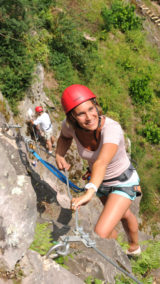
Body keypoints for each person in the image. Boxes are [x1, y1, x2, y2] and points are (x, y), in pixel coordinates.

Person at [55, 84, 142, 256]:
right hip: (101, 182)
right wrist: (59, 154)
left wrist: (89, 192)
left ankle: (133, 248)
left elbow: (101, 162)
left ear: (96, 105)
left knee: (100, 232)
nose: (89, 117)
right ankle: (120, 252)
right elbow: (64, 137)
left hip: (123, 181)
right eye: (81, 113)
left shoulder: (112, 128)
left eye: (91, 109)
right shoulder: (70, 126)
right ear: (72, 117)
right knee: (123, 215)